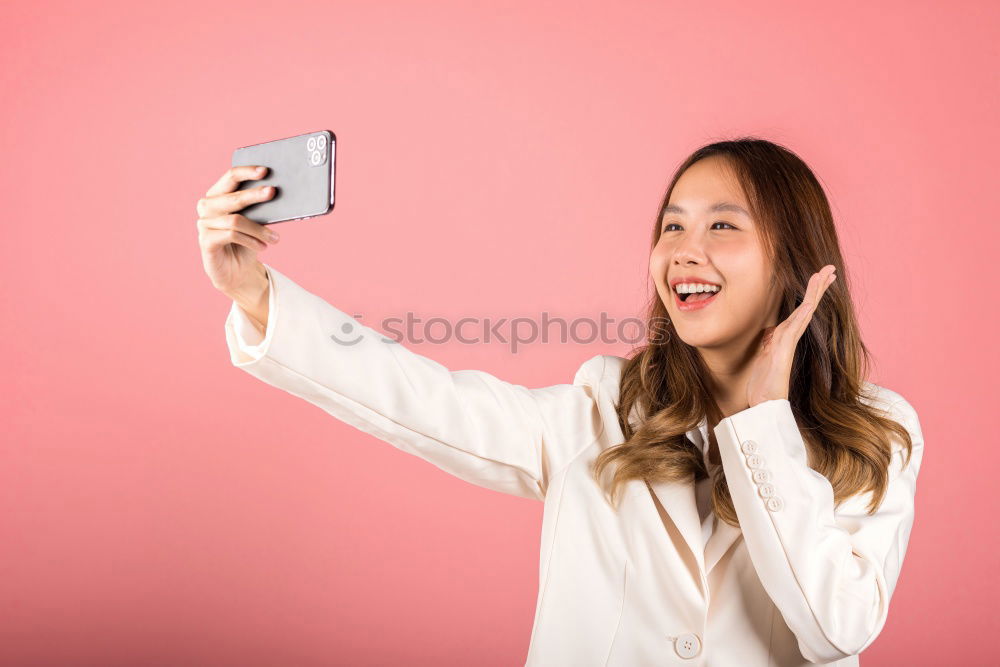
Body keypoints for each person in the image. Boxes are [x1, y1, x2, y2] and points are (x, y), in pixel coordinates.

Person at [195, 137, 923, 666]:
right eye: (672, 225)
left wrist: (763, 423)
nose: (683, 250)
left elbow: (835, 629)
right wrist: (256, 295)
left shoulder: (879, 432)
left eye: (721, 226)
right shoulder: (601, 407)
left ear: (792, 259)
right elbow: (423, 401)